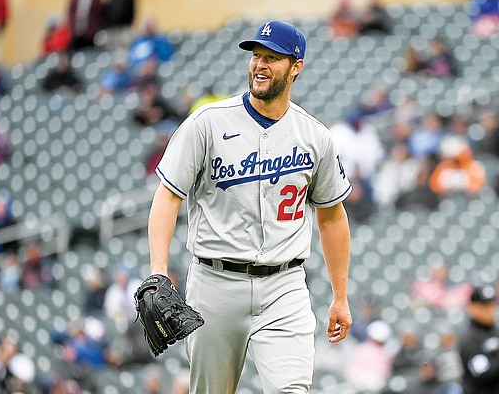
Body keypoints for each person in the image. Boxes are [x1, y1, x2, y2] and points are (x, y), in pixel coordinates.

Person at [146, 20, 353, 393]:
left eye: (272, 58)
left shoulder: (315, 136)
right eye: (256, 55)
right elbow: (167, 195)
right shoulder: (207, 123)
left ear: (296, 65)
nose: (259, 65)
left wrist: (340, 297)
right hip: (215, 284)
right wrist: (159, 272)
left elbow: (333, 216)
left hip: (284, 286)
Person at [458, 284, 499, 394]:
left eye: (492, 305)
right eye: (485, 306)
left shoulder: (497, 331)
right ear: (473, 307)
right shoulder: (469, 338)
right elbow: (484, 375)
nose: (490, 310)